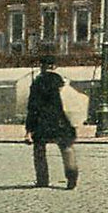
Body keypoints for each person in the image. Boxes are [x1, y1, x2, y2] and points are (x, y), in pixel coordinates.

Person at [25, 56, 79, 189]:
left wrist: (28, 130)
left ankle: (42, 180)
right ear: (54, 67)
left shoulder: (37, 83)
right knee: (66, 148)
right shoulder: (63, 83)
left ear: (42, 66)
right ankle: (72, 178)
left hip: (42, 121)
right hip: (61, 120)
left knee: (39, 149)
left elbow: (33, 107)